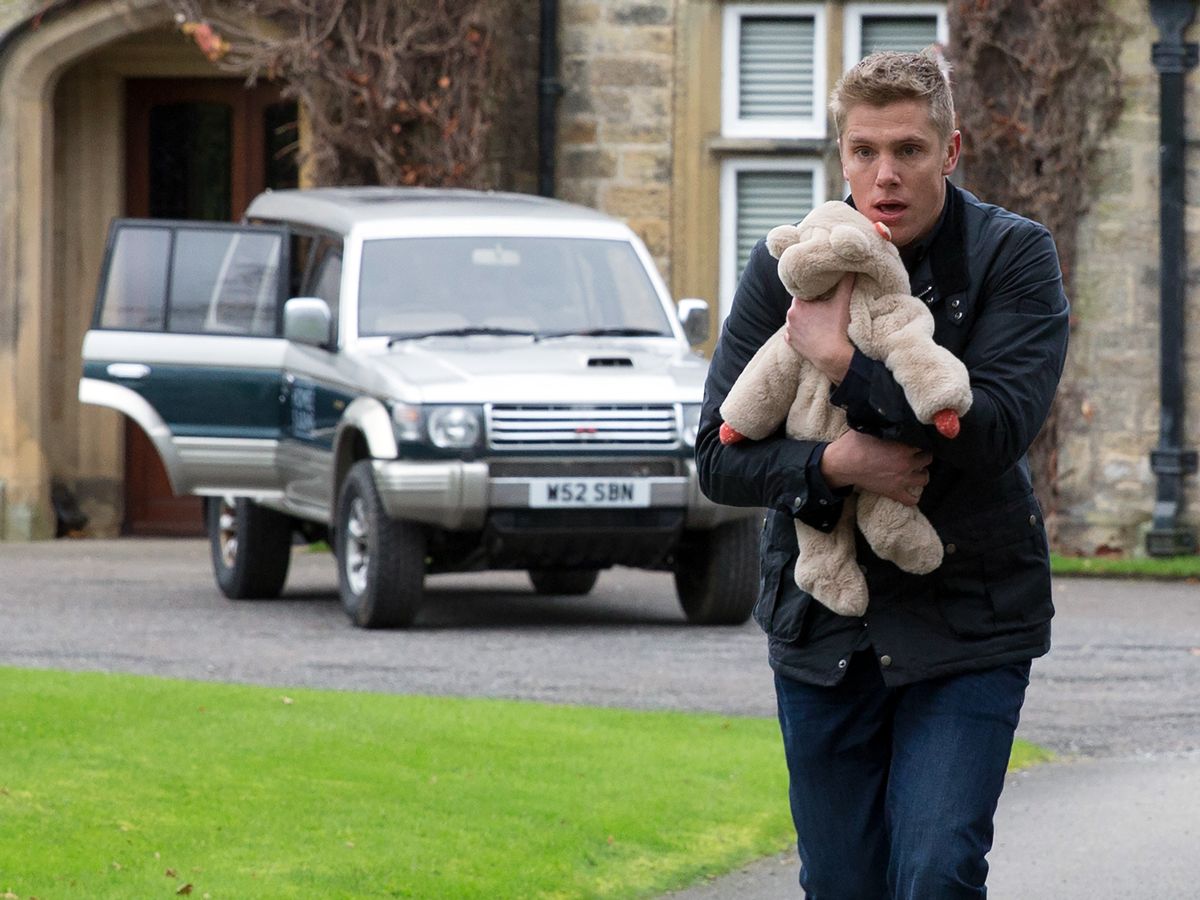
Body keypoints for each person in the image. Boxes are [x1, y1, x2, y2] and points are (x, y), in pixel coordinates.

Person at [695, 50, 1069, 899]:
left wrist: (841, 364)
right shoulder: (789, 261)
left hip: (968, 620)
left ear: (951, 149)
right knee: (841, 885)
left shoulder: (1013, 256)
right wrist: (834, 462)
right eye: (864, 151)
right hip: (821, 632)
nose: (885, 175)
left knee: (935, 873)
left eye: (907, 149)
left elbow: (996, 429)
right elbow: (718, 456)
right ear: (842, 153)